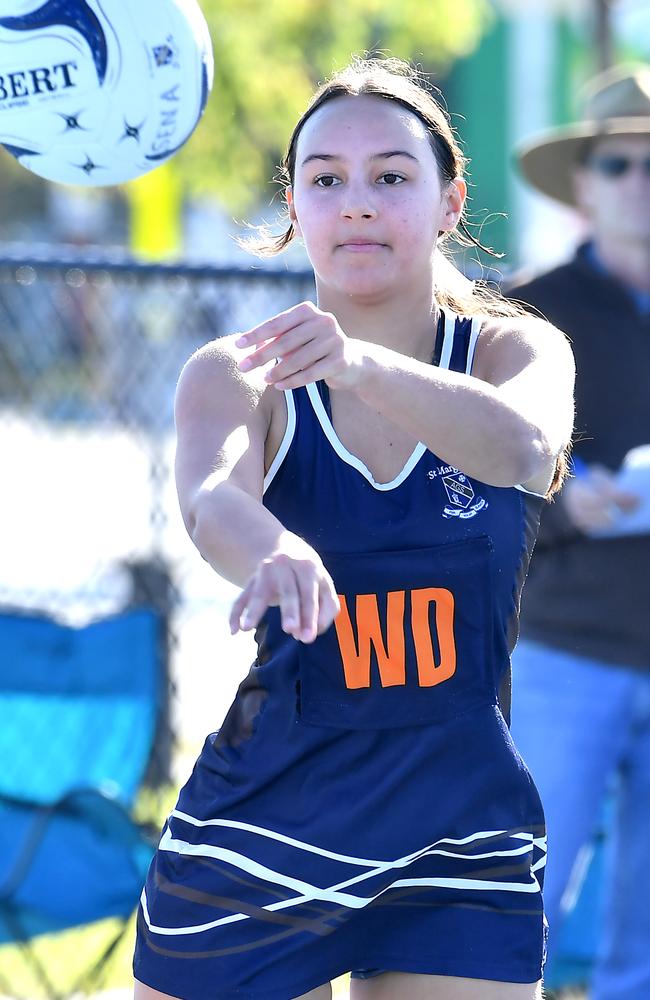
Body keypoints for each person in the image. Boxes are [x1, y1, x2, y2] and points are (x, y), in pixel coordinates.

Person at [133, 56, 574, 1000]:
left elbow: (527, 451)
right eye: (326, 179)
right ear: (295, 206)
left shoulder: (514, 349)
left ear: (452, 202)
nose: (358, 202)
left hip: (458, 818)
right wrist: (275, 548)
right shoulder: (236, 369)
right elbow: (214, 504)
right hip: (273, 812)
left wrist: (361, 365)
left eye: (391, 175)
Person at [507, 64, 650, 1000]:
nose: (641, 182)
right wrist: (566, 502)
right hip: (563, 651)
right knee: (516, 904)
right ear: (586, 185)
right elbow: (469, 476)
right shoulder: (527, 314)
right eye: (617, 163)